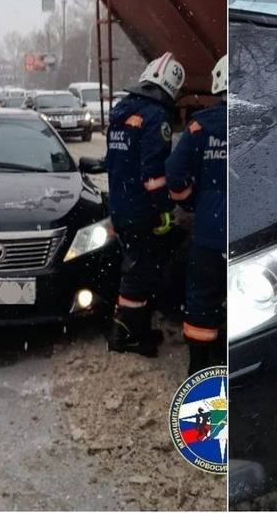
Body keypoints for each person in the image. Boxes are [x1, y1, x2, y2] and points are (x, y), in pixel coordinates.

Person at [105, 51, 185, 357]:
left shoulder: (122, 110)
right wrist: (165, 209)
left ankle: (133, 329)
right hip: (141, 210)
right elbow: (153, 172)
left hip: (122, 205)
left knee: (134, 266)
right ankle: (125, 337)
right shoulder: (156, 116)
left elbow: (115, 162)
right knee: (138, 274)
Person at [166, 55, 227, 375]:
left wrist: (191, 202)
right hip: (246, 230)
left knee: (202, 298)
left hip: (208, 231)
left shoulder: (199, 125)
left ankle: (200, 367)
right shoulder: (260, 122)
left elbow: (174, 173)